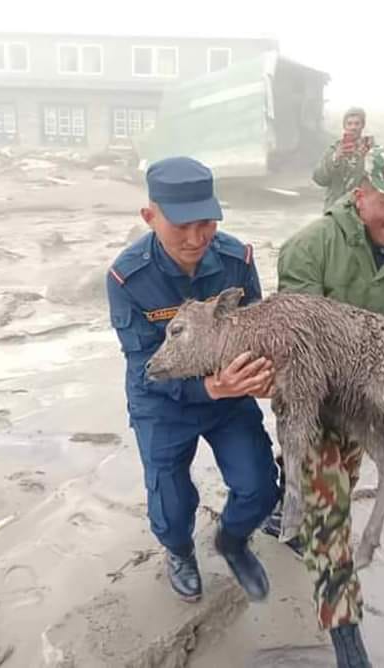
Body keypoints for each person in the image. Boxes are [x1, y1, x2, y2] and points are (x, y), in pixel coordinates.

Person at [274, 146, 384, 668]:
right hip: (316, 404)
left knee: (338, 481)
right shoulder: (311, 248)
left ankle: (288, 506)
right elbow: (298, 348)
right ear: (360, 193)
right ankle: (350, 649)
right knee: (332, 519)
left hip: (370, 410)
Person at [106, 156, 280, 604]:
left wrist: (262, 377)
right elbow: (145, 363)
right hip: (163, 401)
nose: (195, 238)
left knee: (260, 485)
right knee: (171, 499)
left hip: (228, 396)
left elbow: (258, 327)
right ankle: (180, 551)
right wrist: (206, 387)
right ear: (150, 217)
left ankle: (234, 539)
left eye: (206, 223)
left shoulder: (235, 259)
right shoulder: (128, 277)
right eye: (181, 225)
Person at [312, 107, 375, 213]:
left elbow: (378, 182)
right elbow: (319, 179)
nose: (353, 127)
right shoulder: (334, 149)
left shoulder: (371, 150)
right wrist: (335, 158)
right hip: (335, 209)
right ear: (344, 126)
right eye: (349, 124)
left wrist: (367, 158)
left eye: (357, 123)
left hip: (361, 209)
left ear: (362, 125)